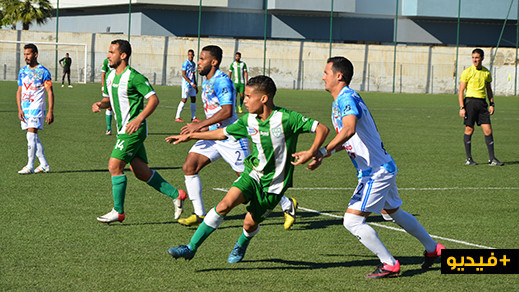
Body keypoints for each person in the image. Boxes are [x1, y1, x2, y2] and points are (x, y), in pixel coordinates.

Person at [166, 75, 329, 263]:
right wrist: (192, 135)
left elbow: (322, 129)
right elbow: (222, 133)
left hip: (275, 185)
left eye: (249, 96)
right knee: (224, 205)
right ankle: (190, 247)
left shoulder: (287, 118)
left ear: (264, 98)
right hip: (252, 174)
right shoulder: (248, 120)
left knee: (250, 223)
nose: (244, 100)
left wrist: (311, 152)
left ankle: (242, 242)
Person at [310, 56, 445, 279]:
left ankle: (389, 263)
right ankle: (434, 249)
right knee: (393, 212)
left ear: (339, 76)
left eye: (326, 72)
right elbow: (350, 139)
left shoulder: (346, 98)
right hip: (381, 166)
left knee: (352, 221)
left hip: (376, 171)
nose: (323, 76)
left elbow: (349, 129)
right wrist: (327, 154)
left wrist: (323, 151)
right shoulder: (341, 101)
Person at [176, 45, 299, 230]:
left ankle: (287, 203)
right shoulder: (208, 81)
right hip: (212, 135)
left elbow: (226, 111)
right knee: (190, 166)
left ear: (214, 62)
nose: (198, 63)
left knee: (250, 179)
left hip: (231, 136)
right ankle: (200, 213)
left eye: (202, 59)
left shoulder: (222, 81)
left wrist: (198, 125)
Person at [92, 39, 187, 223]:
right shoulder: (111, 77)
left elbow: (153, 99)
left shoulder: (134, 77)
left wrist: (139, 118)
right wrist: (100, 104)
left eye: (112, 52)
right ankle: (177, 194)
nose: (108, 56)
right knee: (141, 171)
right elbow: (108, 101)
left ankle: (118, 211)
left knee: (114, 166)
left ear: (123, 55)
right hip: (122, 130)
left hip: (133, 129)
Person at [458, 49, 503, 166]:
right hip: (470, 103)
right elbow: (461, 91)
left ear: (482, 58)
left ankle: (492, 159)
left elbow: (489, 90)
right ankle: (469, 159)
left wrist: (492, 104)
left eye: (477, 57)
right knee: (469, 130)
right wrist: (461, 107)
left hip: (482, 104)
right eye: (473, 57)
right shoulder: (467, 72)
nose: (475, 60)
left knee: (488, 131)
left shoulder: (486, 73)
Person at [17, 44, 54, 174]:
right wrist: (19, 109)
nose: (26, 56)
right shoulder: (22, 71)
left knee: (30, 134)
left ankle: (29, 166)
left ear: (35, 54)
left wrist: (50, 111)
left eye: (28, 54)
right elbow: (19, 90)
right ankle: (44, 164)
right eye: (24, 54)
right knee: (33, 137)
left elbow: (49, 91)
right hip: (25, 108)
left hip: (37, 107)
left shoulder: (43, 71)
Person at [175, 49, 201, 123]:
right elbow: (183, 74)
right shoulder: (185, 63)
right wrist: (190, 82)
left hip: (192, 84)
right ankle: (177, 117)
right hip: (186, 84)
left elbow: (193, 74)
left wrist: (195, 84)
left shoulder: (194, 64)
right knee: (184, 99)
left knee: (193, 99)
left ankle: (193, 117)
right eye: (189, 54)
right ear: (188, 55)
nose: (190, 56)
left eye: (192, 54)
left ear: (193, 55)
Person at [101, 57, 114, 135]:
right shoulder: (106, 61)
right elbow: (103, 75)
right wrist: (103, 86)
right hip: (108, 85)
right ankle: (109, 128)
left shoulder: (121, 60)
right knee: (109, 106)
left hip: (119, 84)